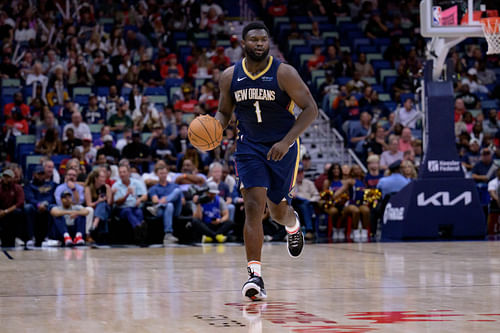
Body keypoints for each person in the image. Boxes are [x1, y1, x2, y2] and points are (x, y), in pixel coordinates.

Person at [214, 22, 318, 300]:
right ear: (243, 43)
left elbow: (311, 109)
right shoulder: (229, 76)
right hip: (249, 147)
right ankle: (254, 276)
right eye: (254, 40)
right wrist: (214, 128)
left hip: (282, 147)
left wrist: (286, 142)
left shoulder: (284, 73)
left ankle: (293, 224)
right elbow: (224, 112)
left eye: (264, 40)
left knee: (277, 212)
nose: (260, 44)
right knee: (252, 206)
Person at [112, 164, 148, 245]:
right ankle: (139, 227)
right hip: (122, 209)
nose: (122, 174)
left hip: (135, 207)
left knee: (139, 212)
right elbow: (117, 202)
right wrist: (126, 195)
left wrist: (140, 199)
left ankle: (139, 235)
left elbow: (145, 196)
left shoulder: (137, 183)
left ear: (128, 173)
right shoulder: (116, 185)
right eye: (120, 172)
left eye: (124, 172)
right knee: (128, 211)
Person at [148, 165, 183, 244]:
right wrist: (166, 202)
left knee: (177, 191)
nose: (163, 175)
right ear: (157, 174)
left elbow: (183, 201)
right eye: (161, 173)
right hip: (162, 211)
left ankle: (157, 207)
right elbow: (154, 200)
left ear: (167, 174)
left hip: (176, 210)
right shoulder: (154, 188)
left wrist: (166, 199)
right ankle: (168, 235)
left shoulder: (174, 186)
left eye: (164, 173)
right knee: (169, 205)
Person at [24, 166, 57, 247]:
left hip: (47, 205)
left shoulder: (51, 184)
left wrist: (45, 204)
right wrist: (38, 205)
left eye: (42, 174)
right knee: (27, 208)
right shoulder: (29, 185)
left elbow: (52, 197)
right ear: (34, 175)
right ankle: (31, 237)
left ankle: (48, 237)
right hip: (35, 206)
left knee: (54, 207)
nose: (41, 176)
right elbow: (30, 198)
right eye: (39, 174)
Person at [292, 165, 320, 240]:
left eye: (301, 173)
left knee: (305, 205)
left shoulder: (309, 183)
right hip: (295, 203)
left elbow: (317, 196)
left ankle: (309, 230)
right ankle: (293, 232)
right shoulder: (291, 184)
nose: (300, 175)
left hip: (308, 203)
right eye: (298, 173)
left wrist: (310, 201)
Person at [84, 169, 112, 242]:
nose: (104, 179)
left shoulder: (107, 187)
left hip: (106, 210)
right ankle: (99, 229)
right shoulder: (88, 188)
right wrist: (97, 201)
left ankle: (94, 225)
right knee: (101, 203)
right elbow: (89, 204)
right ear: (96, 178)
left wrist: (110, 195)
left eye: (104, 177)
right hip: (93, 209)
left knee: (103, 204)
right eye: (102, 177)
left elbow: (109, 203)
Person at [0, 169, 25, 247]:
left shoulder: (17, 188)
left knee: (17, 212)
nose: (6, 179)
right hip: (1, 210)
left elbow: (20, 202)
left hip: (11, 210)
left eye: (8, 177)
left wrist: (6, 211)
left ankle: (17, 237)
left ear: (13, 178)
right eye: (4, 176)